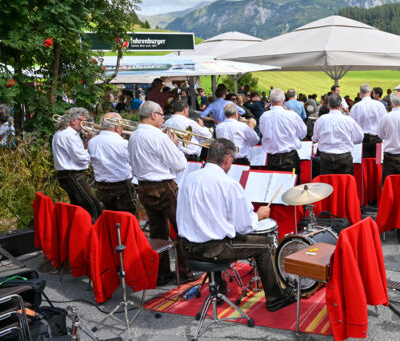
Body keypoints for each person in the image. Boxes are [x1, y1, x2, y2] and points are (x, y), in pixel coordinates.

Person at [177, 139, 294, 311]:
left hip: (186, 247)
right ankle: (275, 298)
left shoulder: (188, 179)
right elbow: (244, 226)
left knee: (214, 231)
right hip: (212, 249)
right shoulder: (228, 184)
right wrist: (258, 216)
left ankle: (219, 286)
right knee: (264, 245)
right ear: (228, 159)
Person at [128, 101, 190, 284]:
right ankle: (185, 272)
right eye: (162, 114)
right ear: (154, 115)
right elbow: (180, 164)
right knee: (183, 229)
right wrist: (175, 144)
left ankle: (162, 273)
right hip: (164, 187)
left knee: (157, 232)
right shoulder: (159, 137)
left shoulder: (133, 136)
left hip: (144, 186)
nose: (164, 118)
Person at [52, 108, 104, 221]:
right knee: (94, 206)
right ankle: (95, 233)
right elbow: (81, 158)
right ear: (73, 121)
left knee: (79, 208)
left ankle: (80, 233)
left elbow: (78, 154)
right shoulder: (69, 135)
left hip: (68, 175)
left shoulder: (65, 133)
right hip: (73, 175)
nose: (84, 125)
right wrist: (92, 147)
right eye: (82, 121)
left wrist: (87, 142)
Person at [87, 113, 138, 217]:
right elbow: (136, 164)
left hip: (102, 187)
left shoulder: (92, 142)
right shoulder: (122, 143)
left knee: (109, 219)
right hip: (123, 187)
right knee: (129, 221)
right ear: (117, 127)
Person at [312, 93, 364, 175]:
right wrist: (348, 141)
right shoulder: (348, 120)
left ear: (328, 105)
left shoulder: (321, 120)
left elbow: (315, 138)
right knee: (343, 184)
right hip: (341, 156)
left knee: (328, 184)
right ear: (341, 105)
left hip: (329, 157)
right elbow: (359, 137)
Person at [259, 88, 307, 174]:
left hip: (274, 158)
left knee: (275, 186)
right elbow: (303, 134)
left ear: (270, 100)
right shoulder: (292, 115)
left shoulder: (264, 116)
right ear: (284, 101)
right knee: (293, 186)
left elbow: (263, 133)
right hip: (288, 158)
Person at [350, 84, 387, 159]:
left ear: (360, 93)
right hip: (377, 138)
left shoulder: (356, 107)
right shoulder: (379, 105)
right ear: (370, 92)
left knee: (364, 165)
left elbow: (352, 125)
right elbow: (385, 122)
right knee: (378, 163)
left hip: (362, 140)